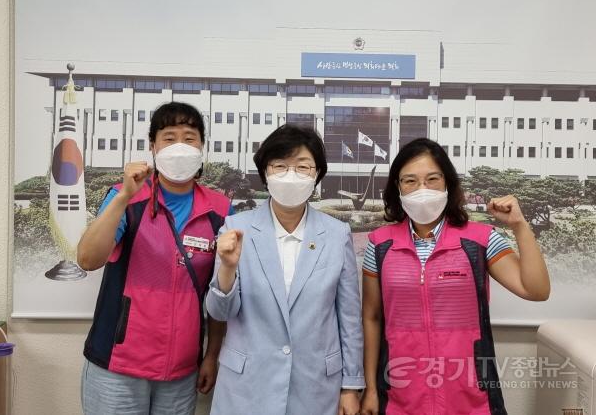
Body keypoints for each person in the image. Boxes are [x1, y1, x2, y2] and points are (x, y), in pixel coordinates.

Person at [360, 138, 550, 415]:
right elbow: (372, 317)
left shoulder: (479, 240)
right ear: (397, 188)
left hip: (472, 397)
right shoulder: (379, 245)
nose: (421, 189)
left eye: (432, 179)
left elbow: (536, 290)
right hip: (400, 397)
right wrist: (371, 389)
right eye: (410, 181)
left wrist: (520, 226)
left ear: (447, 183)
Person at [77, 102, 233, 415]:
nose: (179, 145)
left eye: (189, 138)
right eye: (169, 137)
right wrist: (123, 197)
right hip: (118, 365)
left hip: (181, 371)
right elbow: (88, 259)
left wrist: (212, 354)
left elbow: (221, 293)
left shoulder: (220, 210)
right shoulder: (126, 196)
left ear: (202, 147)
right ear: (153, 146)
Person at [206, 124, 364, 415]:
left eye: (303, 166)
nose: (291, 175)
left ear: (317, 174)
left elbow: (349, 319)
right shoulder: (237, 229)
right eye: (280, 165)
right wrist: (227, 268)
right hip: (246, 387)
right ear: (265, 173)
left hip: (316, 387)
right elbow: (219, 312)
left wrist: (351, 387)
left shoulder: (337, 233)